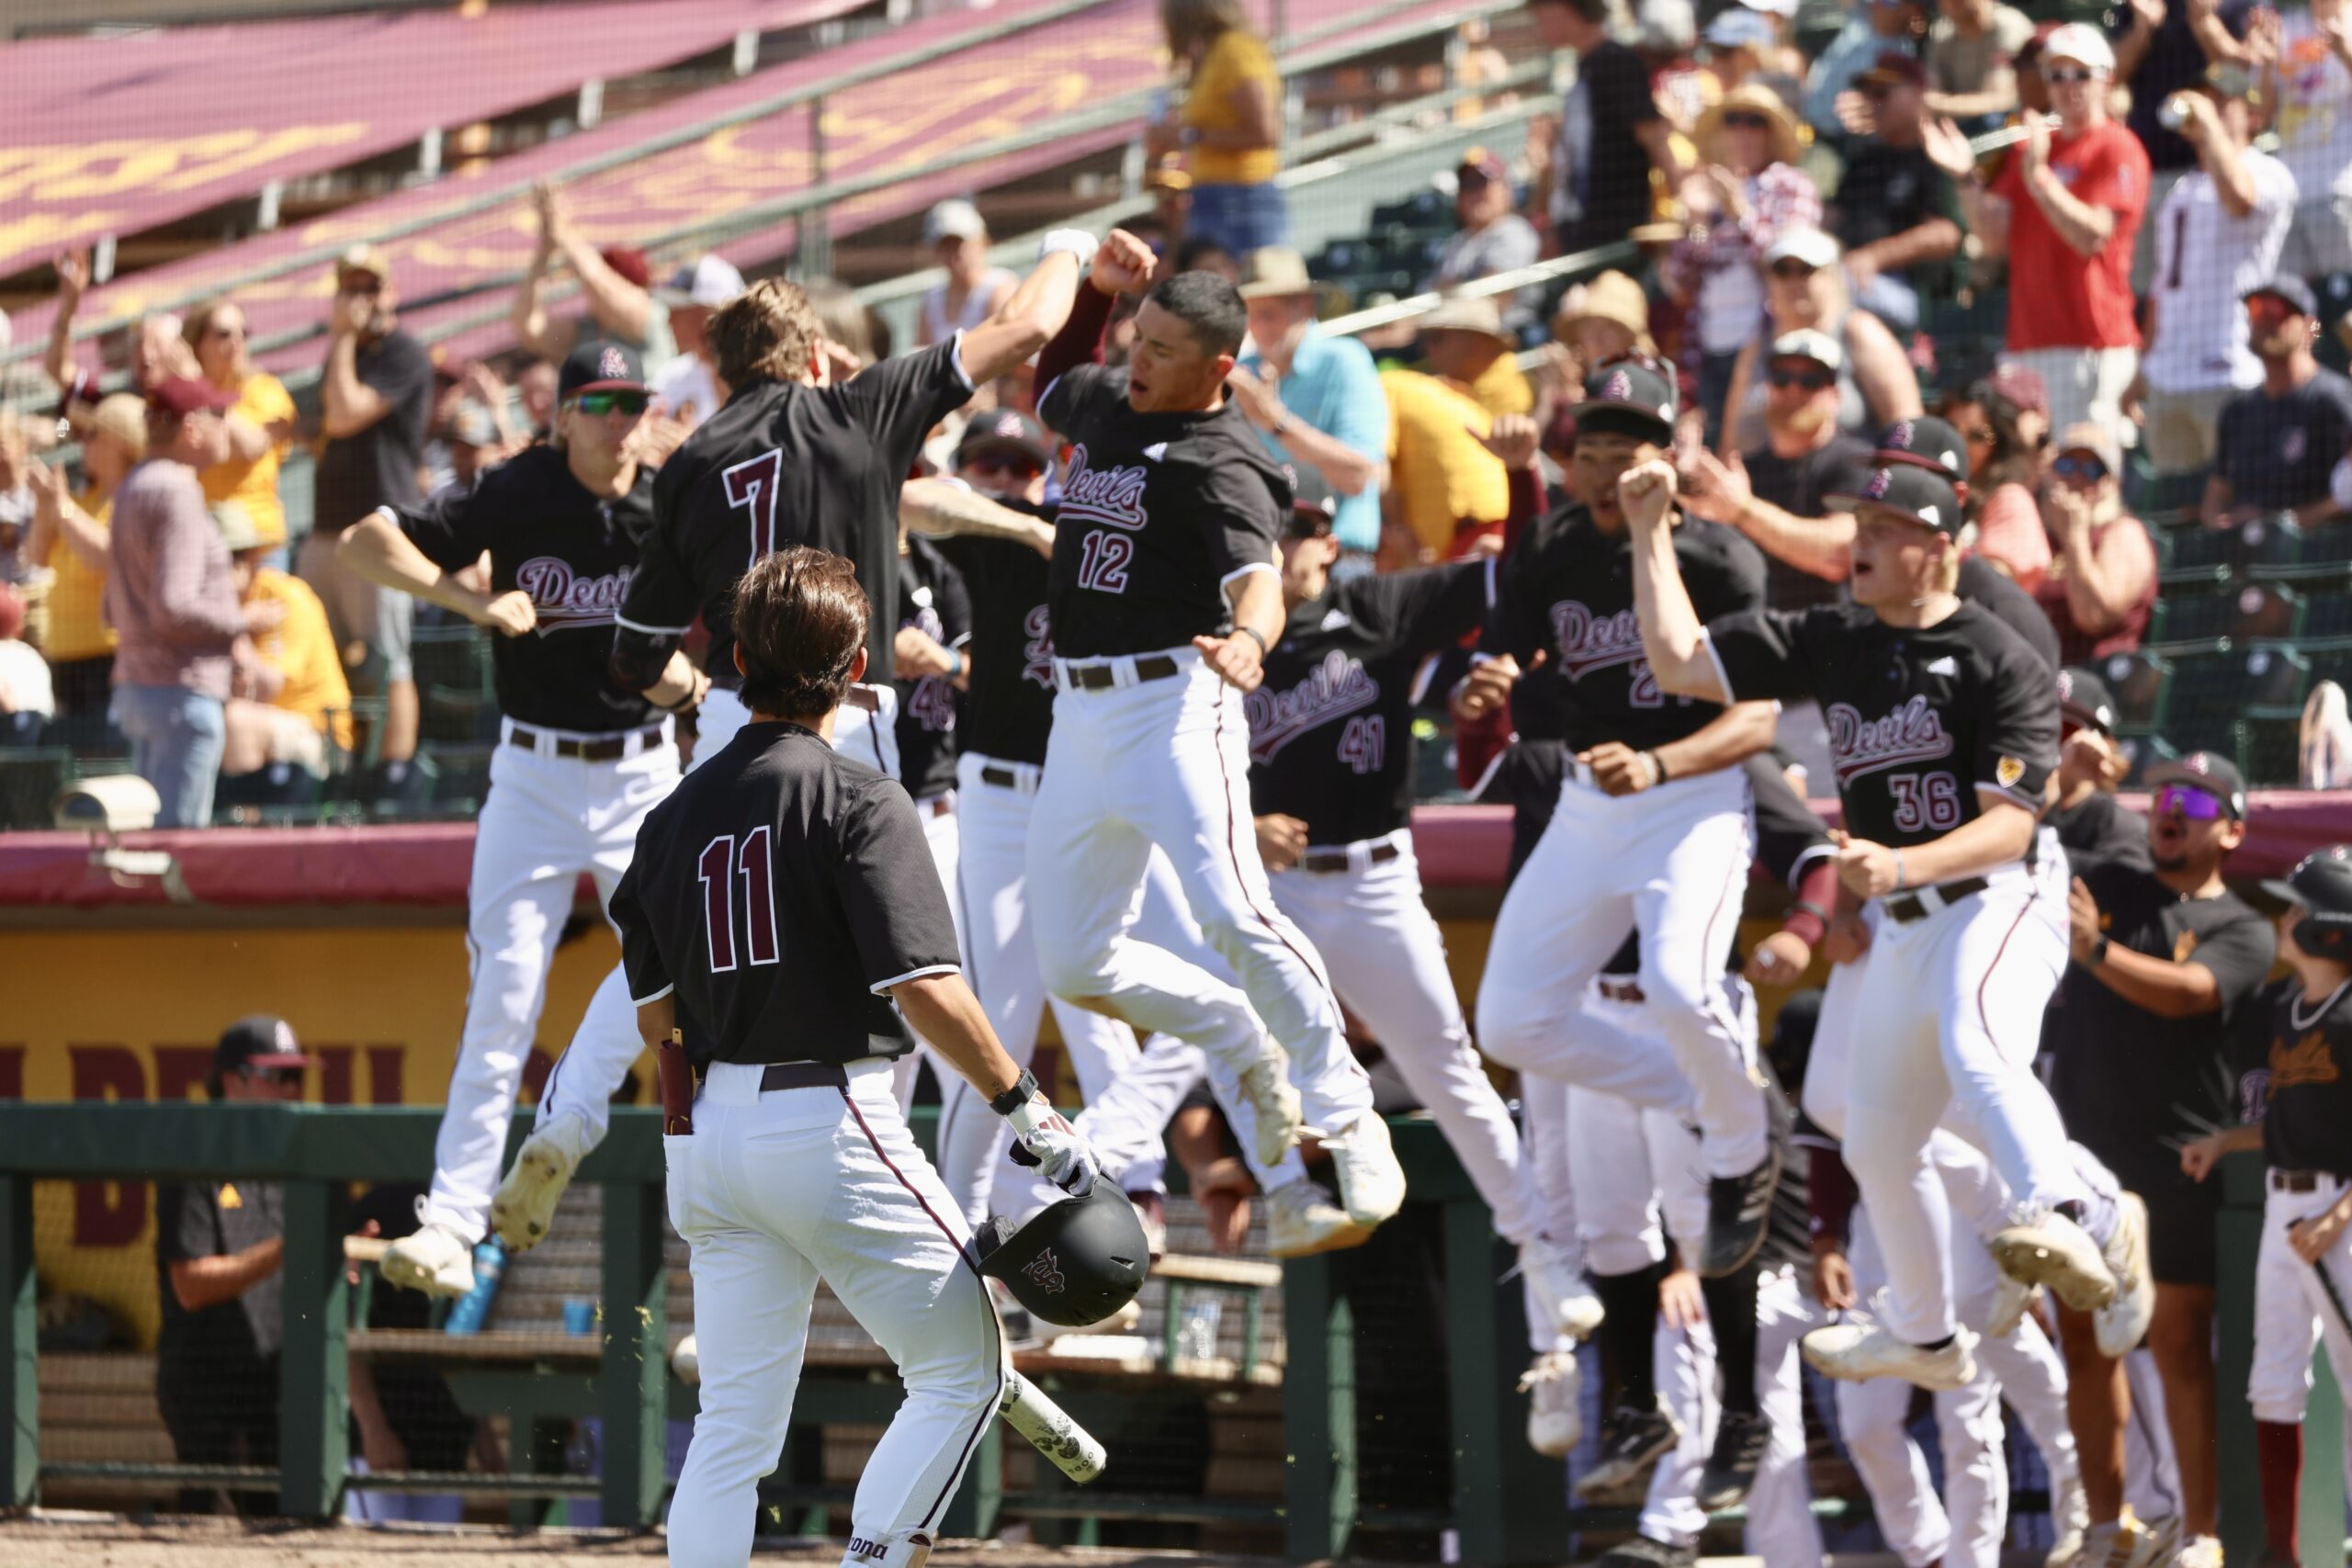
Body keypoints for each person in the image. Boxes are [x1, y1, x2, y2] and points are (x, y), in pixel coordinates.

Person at [608, 545, 1106, 1568]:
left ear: (737, 655)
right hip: (827, 1116)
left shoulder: (665, 821)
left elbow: (656, 1019)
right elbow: (924, 986)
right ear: (859, 664)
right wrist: (1026, 1107)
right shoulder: (863, 797)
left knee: (731, 1434)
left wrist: (683, 1141)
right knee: (962, 1374)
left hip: (706, 1139)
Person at [1623, 450, 2141, 1389]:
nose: (1857, 544)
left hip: (1999, 897)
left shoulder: (2001, 654)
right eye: (1856, 528)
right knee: (1874, 1136)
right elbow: (1674, 659)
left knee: (1978, 1049)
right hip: (1905, 914)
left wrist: (1897, 862)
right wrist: (1649, 530)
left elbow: (2008, 827)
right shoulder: (1836, 636)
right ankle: (1926, 1333)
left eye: (1882, 531)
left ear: (1938, 549)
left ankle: (2064, 1212)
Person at [1024, 256, 1408, 1229]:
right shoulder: (1115, 396)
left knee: (1234, 912)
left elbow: (1260, 580)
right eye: (1136, 338)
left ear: (1220, 367)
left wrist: (1248, 640)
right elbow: (1050, 381)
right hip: (1077, 712)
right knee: (1072, 964)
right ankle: (1233, 1027)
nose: (1136, 359)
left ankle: (1350, 1119)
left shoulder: (1226, 457)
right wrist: (1095, 300)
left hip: (1171, 704)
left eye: (1160, 350)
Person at [337, 343, 688, 1294]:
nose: (620, 419)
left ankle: (580, 1144)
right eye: (601, 402)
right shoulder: (516, 488)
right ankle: (452, 1222)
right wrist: (468, 599)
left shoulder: (669, 494)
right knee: (501, 1001)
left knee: (684, 983)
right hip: (532, 775)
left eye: (634, 401)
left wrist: (698, 680)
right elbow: (363, 540)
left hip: (642, 772)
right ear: (563, 414)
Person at [1454, 357, 1784, 1275]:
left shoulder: (1720, 559)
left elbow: (1756, 717)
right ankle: (1714, 1098)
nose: (1600, 472)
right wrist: (1491, 678)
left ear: (1666, 459)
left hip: (1693, 804)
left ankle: (1738, 1153)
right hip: (1591, 809)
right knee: (1513, 1024)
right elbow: (1508, 649)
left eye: (1622, 451)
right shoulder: (1557, 545)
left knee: (1682, 983)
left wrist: (1660, 761)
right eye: (1587, 452)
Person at [1246, 496, 1589, 1322]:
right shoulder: (1224, 631)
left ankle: (1543, 1256)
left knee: (1449, 1069)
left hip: (1373, 881)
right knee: (1225, 1034)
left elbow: (1514, 573)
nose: (1274, 547)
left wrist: (1518, 476)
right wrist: (1239, 824)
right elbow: (1170, 753)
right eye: (1261, 530)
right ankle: (1285, 1194)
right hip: (1274, 888)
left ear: (1325, 545)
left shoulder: (1376, 608)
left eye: (1290, 532)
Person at [611, 240, 1097, 766]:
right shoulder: (862, 409)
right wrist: (1067, 249)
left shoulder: (690, 460)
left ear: (722, 367)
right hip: (842, 717)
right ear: (817, 354)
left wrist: (699, 700)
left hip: (735, 715)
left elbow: (637, 657)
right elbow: (1029, 326)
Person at [2047, 751, 2274, 1568]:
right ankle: (2110, 1528)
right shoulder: (2107, 883)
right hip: (2079, 1161)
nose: (2168, 808)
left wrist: (2094, 952)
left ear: (2233, 829)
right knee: (2085, 1344)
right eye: (2161, 795)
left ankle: (2203, 1531)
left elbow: (2190, 993)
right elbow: (2021, 842)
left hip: (2180, 1165)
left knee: (2178, 1345)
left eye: (2193, 799)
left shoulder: (2242, 926)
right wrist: (2060, 780)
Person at [2186, 845, 2352, 1568]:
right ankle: (2280, 1557)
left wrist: (2339, 1218)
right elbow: (2293, 1119)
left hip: (2338, 1214)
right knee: (2272, 1383)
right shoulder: (2287, 1009)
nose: (2286, 918)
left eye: (2299, 908)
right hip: (2286, 1209)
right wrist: (2229, 1141)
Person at [1936, 25, 2150, 440]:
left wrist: (2039, 177)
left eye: (2080, 75)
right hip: (2028, 340)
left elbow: (2092, 236)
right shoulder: (2029, 148)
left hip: (2093, 341)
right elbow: (1995, 238)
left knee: (2085, 463)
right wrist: (1965, 180)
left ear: (2105, 78)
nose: (2068, 87)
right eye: (2057, 75)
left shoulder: (2117, 146)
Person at [154, 1017, 311, 1513]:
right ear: (232, 1081)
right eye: (276, 1077)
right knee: (215, 1537)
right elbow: (190, 1286)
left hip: (274, 1387)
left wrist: (329, 1256)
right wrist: (292, 1248)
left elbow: (288, 1261)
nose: (290, 1089)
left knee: (279, 1530)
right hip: (209, 1393)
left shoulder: (288, 1160)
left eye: (296, 1077)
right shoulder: (196, 1155)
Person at [307, 244, 434, 782]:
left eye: (370, 288)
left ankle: (395, 775)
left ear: (391, 293)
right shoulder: (345, 354)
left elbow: (344, 414)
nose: (360, 300)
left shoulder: (404, 352)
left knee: (387, 657)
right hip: (325, 529)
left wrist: (339, 337)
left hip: (379, 525)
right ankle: (338, 766)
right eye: (350, 289)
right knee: (325, 653)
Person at [106, 378, 256, 829]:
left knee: (146, 854)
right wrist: (242, 621)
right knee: (173, 854)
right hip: (179, 694)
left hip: (142, 689)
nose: (229, 427)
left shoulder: (132, 486)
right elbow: (173, 609)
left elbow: (109, 609)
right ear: (191, 428)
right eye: (221, 417)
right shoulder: (176, 490)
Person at [2133, 64, 2299, 473]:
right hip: (2167, 374)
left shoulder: (2268, 171)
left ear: (2254, 116)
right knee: (2171, 507)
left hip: (2230, 368)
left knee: (2229, 501)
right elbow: (2162, 286)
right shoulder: (2181, 188)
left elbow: (2240, 200)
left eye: (2222, 101)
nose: (2209, 108)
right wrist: (2143, 364)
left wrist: (2210, 130)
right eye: (2203, 99)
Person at [1678, 328, 1876, 613]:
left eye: (1811, 380)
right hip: (1760, 637)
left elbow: (1837, 556)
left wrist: (1745, 511)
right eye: (1782, 378)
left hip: (1830, 639)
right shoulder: (1746, 470)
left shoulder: (1855, 460)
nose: (1793, 389)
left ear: (1835, 395)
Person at [1230, 248, 1389, 573]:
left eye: (1269, 315)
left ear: (1305, 307)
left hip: (1337, 562)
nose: (1258, 329)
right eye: (1251, 316)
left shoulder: (1345, 360)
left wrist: (1274, 421)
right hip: (1264, 562)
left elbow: (1359, 475)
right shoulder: (1241, 371)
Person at [1720, 227, 1921, 457]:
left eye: (1806, 269)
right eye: (1782, 270)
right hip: (1765, 486)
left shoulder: (1860, 332)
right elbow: (1730, 444)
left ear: (1832, 276)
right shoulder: (1756, 348)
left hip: (1852, 486)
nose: (1794, 281)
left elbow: (1909, 427)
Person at [1530, 0, 1688, 257]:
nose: (1539, 28)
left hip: (1616, 236)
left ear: (1566, 10)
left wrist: (1683, 200)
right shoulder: (1586, 67)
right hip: (1583, 233)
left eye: (1543, 17)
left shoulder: (1616, 62)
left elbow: (1654, 136)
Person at [21, 392, 143, 716]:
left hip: (108, 660)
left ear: (120, 444)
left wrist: (60, 506)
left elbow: (104, 555)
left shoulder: (135, 496)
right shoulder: (83, 500)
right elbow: (35, 556)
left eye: (92, 435)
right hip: (65, 658)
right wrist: (47, 506)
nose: (82, 443)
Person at [1827, 53, 1969, 332]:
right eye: (1868, 95)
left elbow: (1946, 234)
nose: (1873, 103)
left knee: (1832, 288)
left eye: (1882, 93)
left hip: (1909, 290)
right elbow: (1833, 217)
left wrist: (1874, 257)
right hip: (1853, 278)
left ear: (1917, 94)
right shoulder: (1864, 158)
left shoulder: (1939, 154)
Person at [2204, 276, 2352, 528]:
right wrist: (2217, 524)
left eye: (2277, 309)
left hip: (2311, 556)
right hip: (2240, 555)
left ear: (2310, 328)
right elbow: (2218, 491)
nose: (2264, 319)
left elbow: (2345, 500)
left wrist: (2277, 523)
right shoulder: (2237, 410)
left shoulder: (2335, 401)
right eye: (2256, 308)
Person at [219, 502, 349, 786]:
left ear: (253, 558)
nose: (222, 568)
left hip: (319, 733)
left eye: (234, 556)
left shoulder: (287, 598)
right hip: (267, 725)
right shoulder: (212, 607)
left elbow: (266, 687)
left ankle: (244, 824)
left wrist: (234, 626)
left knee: (237, 721)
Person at [1151, 0, 1286, 254]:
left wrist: (1188, 134)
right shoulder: (1214, 55)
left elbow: (1266, 133)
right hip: (1217, 197)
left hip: (1242, 199)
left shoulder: (1235, 50)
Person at [509, 182, 673, 367]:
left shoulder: (650, 318)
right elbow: (526, 323)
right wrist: (545, 251)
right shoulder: (587, 331)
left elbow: (596, 279)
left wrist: (561, 229)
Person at [182, 298, 297, 560]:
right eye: (223, 334)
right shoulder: (183, 396)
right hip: (202, 541)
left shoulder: (265, 389)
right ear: (196, 343)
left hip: (259, 542)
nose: (236, 342)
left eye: (243, 333)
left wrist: (200, 393)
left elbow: (250, 446)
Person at [2035, 424, 2157, 661]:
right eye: (2066, 465)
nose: (2076, 478)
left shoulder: (2123, 533)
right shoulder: (2038, 532)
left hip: (2097, 679)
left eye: (2093, 470)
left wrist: (2074, 536)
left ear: (2111, 484)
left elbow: (2093, 616)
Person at [2265, 0, 2352, 282]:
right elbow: (2264, 114)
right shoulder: (2286, 28)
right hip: (2288, 196)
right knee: (2299, 313)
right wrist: (2266, 60)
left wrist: (2344, 52)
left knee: (2343, 301)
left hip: (2338, 191)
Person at [1939, 381, 2050, 592]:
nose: (1959, 444)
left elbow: (1988, 585)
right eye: (1950, 429)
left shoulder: (2011, 499)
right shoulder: (1936, 491)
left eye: (1978, 436)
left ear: (1999, 445)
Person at [1424, 146, 1543, 330]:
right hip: (1454, 332)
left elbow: (1496, 298)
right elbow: (1434, 292)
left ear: (1506, 189)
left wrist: (1449, 291)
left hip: (1505, 334)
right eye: (1467, 185)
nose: (1475, 193)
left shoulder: (1513, 230)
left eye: (1483, 182)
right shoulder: (1458, 242)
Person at [2047, 667, 2149, 874]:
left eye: (2067, 728)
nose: (2051, 740)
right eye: (2042, 724)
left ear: (2103, 745)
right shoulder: (2006, 800)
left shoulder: (2119, 825)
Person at [650, 254, 748, 430]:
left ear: (708, 314)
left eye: (679, 308)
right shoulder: (671, 377)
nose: (669, 318)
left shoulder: (757, 375)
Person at [917, 199, 1019, 350]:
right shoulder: (932, 299)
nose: (954, 253)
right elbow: (922, 355)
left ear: (982, 241)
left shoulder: (1000, 287)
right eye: (946, 246)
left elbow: (1004, 350)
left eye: (959, 244)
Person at [1921, 0, 2036, 125]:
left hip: (2011, 127)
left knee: (1992, 120)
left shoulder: (2008, 26)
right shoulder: (1943, 33)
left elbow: (2001, 101)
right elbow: (1931, 93)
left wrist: (1938, 104)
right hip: (1961, 126)